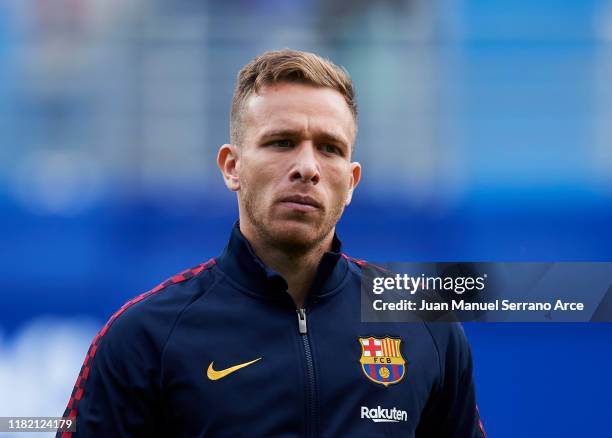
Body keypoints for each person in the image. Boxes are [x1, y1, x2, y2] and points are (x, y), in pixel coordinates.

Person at [57, 49, 486, 437]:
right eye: (281, 142)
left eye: (329, 148)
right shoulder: (144, 336)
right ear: (232, 166)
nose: (306, 167)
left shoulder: (425, 325)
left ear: (351, 181)